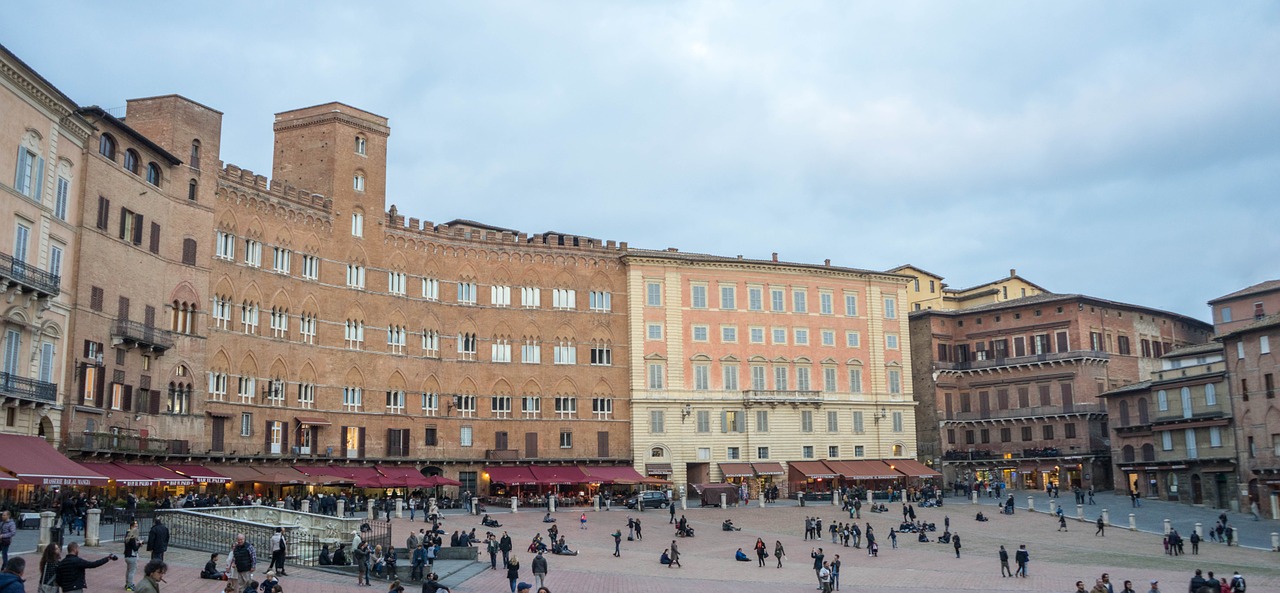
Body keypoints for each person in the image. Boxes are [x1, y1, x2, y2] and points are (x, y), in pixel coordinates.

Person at [124, 522, 142, 590]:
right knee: (132, 571)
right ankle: (130, 585)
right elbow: (135, 549)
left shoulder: (127, 536)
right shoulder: (132, 538)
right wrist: (139, 544)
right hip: (132, 556)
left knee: (128, 571)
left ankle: (127, 583)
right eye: (135, 526)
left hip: (127, 556)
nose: (136, 528)